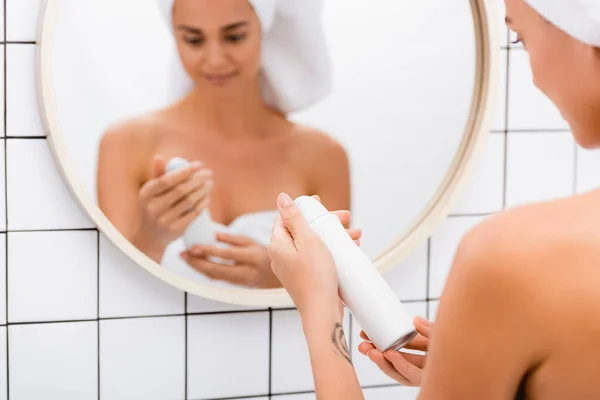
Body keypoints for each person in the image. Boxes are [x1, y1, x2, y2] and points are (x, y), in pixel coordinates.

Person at [268, 0, 600, 397]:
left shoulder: (513, 257)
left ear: (585, 38)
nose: (534, 78)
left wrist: (320, 313)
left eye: (520, 36)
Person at [96, 0, 351, 289]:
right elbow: (111, 298)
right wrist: (149, 239)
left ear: (263, 29)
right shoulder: (126, 145)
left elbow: (338, 293)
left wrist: (277, 277)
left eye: (235, 36)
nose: (215, 60)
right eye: (193, 39)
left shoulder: (323, 156)